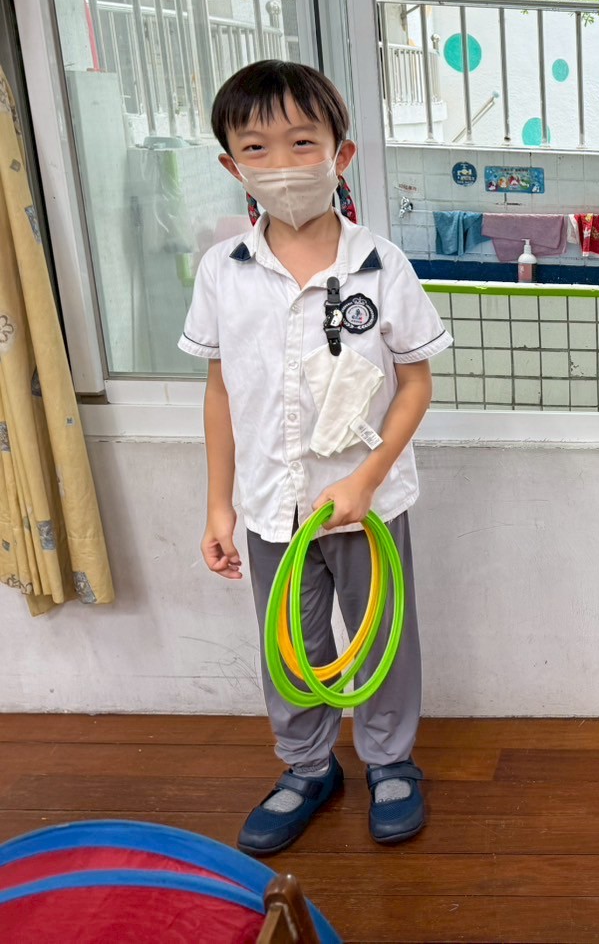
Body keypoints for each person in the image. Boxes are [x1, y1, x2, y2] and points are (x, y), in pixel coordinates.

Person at [179, 60, 450, 854]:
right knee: (290, 644)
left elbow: (415, 384)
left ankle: (390, 761)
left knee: (381, 636)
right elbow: (221, 393)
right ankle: (307, 767)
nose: (283, 163)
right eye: (256, 148)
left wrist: (364, 480)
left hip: (367, 504)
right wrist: (219, 506)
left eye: (303, 142)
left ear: (341, 153)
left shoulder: (381, 265)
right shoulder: (223, 272)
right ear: (232, 165)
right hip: (271, 505)